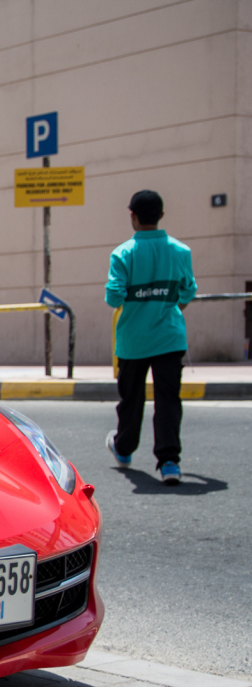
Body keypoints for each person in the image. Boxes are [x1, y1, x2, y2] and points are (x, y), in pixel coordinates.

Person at [104, 190, 196, 485]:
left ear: (132, 216)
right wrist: (169, 305)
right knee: (168, 399)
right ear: (161, 216)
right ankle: (169, 462)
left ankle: (124, 448)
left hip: (133, 340)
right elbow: (188, 289)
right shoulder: (181, 251)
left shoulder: (123, 254)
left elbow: (113, 295)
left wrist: (136, 300)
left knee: (131, 398)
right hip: (170, 338)